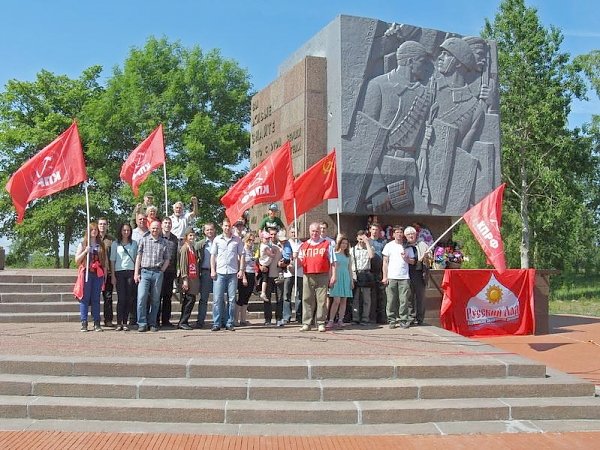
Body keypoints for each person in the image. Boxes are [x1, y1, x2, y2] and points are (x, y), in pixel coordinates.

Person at [298, 222, 336, 332]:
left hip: (322, 274)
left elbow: (333, 262)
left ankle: (320, 322)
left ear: (320, 232)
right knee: (307, 299)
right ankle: (307, 323)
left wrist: (333, 275)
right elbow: (300, 262)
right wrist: (294, 261)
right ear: (309, 231)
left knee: (322, 300)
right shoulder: (304, 245)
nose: (315, 233)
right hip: (308, 274)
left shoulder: (327, 244)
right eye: (313, 231)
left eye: (317, 231)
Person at [134, 220, 171, 332]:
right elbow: (138, 257)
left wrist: (162, 271)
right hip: (144, 272)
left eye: (157, 228)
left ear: (160, 229)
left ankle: (153, 322)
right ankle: (142, 323)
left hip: (157, 273)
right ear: (150, 228)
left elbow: (167, 259)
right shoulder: (143, 240)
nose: (155, 230)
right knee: (141, 298)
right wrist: (136, 273)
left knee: (155, 300)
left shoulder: (164, 242)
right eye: (153, 228)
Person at [210, 217, 244, 331]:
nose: (227, 228)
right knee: (217, 299)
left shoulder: (237, 240)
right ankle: (217, 322)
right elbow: (213, 256)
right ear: (222, 226)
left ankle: (229, 322)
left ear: (231, 227)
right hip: (219, 272)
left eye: (229, 226)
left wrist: (241, 270)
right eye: (225, 226)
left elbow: (242, 255)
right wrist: (213, 270)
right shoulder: (217, 239)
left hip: (232, 272)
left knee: (232, 299)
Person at [74, 222, 109, 332]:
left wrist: (105, 275)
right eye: (92, 230)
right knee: (84, 298)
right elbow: (77, 260)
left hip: (98, 274)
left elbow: (105, 261)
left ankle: (96, 322)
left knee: (96, 299)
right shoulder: (83, 244)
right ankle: (84, 322)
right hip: (87, 274)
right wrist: (85, 251)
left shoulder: (101, 245)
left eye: (95, 230)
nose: (94, 231)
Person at [382, 225, 415, 329]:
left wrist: (407, 258)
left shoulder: (407, 246)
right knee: (391, 300)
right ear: (393, 234)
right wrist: (385, 276)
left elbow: (413, 261)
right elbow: (385, 262)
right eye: (397, 232)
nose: (399, 234)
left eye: (401, 232)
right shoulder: (389, 246)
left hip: (404, 277)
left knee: (404, 300)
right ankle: (391, 320)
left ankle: (403, 319)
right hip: (391, 277)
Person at [109, 223, 138, 331]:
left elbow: (136, 258)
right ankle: (119, 322)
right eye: (124, 230)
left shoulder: (134, 244)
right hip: (119, 272)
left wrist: (136, 272)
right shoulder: (115, 244)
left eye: (128, 230)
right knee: (121, 298)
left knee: (129, 298)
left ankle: (125, 322)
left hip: (130, 272)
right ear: (120, 231)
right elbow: (112, 260)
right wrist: (113, 276)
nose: (126, 232)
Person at [404, 225, 430, 326]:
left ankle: (420, 318)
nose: (411, 236)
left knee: (420, 297)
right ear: (405, 236)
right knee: (409, 297)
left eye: (412, 234)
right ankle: (410, 317)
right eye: (408, 234)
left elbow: (429, 258)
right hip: (407, 273)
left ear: (416, 235)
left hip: (419, 273)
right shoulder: (403, 246)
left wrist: (426, 256)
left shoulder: (422, 244)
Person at [327, 235, 353, 329]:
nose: (344, 245)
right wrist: (330, 279)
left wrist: (351, 280)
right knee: (336, 300)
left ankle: (340, 320)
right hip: (337, 278)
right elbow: (331, 267)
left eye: (346, 243)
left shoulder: (348, 256)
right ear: (339, 244)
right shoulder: (334, 254)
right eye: (342, 243)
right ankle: (331, 320)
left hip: (345, 278)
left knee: (344, 300)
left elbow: (349, 268)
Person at [194, 222, 216, 329]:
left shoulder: (219, 242)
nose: (209, 231)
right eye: (207, 230)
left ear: (214, 230)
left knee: (219, 298)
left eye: (211, 229)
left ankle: (221, 320)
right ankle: (200, 321)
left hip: (218, 272)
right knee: (203, 299)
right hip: (205, 272)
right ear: (204, 231)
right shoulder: (200, 244)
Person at [351, 230, 375, 325]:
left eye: (363, 237)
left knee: (366, 298)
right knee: (355, 298)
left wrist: (367, 243)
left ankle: (365, 318)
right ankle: (355, 317)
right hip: (355, 273)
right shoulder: (352, 250)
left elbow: (371, 256)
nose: (361, 239)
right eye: (360, 237)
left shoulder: (369, 247)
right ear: (357, 237)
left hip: (366, 274)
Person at [158, 216, 178, 328]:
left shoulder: (174, 239)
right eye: (165, 223)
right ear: (162, 224)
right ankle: (155, 320)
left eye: (169, 223)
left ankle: (166, 320)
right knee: (157, 297)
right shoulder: (157, 236)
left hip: (170, 272)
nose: (167, 225)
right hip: (159, 271)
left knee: (167, 297)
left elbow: (176, 256)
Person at [177, 227, 199, 330]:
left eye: (193, 235)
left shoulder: (192, 248)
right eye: (190, 235)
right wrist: (184, 278)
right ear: (186, 237)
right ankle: (183, 321)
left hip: (193, 277)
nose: (192, 237)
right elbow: (183, 264)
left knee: (191, 299)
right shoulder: (184, 248)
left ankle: (184, 320)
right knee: (189, 299)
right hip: (187, 277)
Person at [264, 227, 284, 327]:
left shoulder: (281, 246)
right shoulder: (264, 245)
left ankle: (279, 319)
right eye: (271, 234)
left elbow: (286, 258)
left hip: (278, 275)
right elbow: (259, 259)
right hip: (268, 276)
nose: (272, 236)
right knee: (267, 298)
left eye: (274, 234)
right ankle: (267, 319)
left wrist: (283, 263)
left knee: (279, 298)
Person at [283, 226, 303, 324]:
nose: (294, 234)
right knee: (287, 295)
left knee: (299, 295)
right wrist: (289, 266)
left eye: (295, 232)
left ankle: (299, 316)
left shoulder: (302, 244)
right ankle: (287, 316)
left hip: (299, 272)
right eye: (292, 232)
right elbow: (284, 257)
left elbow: (303, 258)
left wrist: (297, 265)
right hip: (288, 273)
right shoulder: (286, 243)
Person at [236, 232, 257, 326]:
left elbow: (253, 264)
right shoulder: (243, 249)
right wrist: (243, 277)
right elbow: (241, 264)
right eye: (249, 240)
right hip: (245, 274)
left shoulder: (251, 250)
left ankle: (243, 319)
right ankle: (235, 319)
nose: (251, 242)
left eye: (253, 240)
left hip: (252, 274)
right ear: (246, 239)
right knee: (241, 297)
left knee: (247, 298)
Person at [368, 222, 387, 323]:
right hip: (370, 271)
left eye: (377, 230)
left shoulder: (383, 242)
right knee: (371, 296)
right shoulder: (367, 241)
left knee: (381, 296)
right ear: (370, 230)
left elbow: (385, 258)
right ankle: (372, 318)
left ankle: (382, 318)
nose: (375, 232)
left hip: (380, 271)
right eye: (373, 229)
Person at [97, 217, 114, 327]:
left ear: (107, 226)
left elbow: (113, 257)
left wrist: (113, 273)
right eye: (100, 224)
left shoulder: (111, 240)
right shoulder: (93, 238)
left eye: (104, 224)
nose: (102, 226)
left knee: (108, 297)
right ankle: (96, 320)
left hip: (107, 272)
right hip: (95, 272)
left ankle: (108, 320)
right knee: (95, 298)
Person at [257, 230, 275, 302]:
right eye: (266, 238)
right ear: (262, 239)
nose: (267, 240)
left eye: (268, 238)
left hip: (264, 263)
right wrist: (274, 252)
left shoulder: (264, 245)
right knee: (265, 280)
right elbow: (271, 255)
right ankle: (263, 292)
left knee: (261, 278)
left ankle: (257, 288)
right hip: (265, 264)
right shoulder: (265, 247)